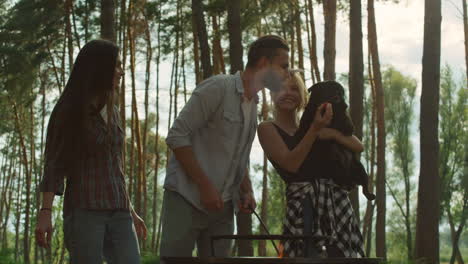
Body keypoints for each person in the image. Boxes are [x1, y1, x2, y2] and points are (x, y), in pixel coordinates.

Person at [160, 35, 290, 261]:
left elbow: (238, 155)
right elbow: (177, 136)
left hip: (223, 209)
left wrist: (246, 189)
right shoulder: (218, 87)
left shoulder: (254, 105)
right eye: (283, 66)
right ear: (263, 63)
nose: (286, 74)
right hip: (186, 198)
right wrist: (205, 186)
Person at [35, 39, 147, 264]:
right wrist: (45, 212)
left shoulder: (112, 111)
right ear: (98, 68)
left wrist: (131, 211)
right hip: (86, 210)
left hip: (119, 211)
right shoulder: (70, 110)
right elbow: (55, 164)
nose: (121, 72)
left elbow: (115, 166)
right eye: (115, 66)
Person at [257, 73, 365, 257]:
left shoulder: (313, 124)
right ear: (272, 94)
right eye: (281, 88)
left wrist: (332, 134)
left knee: (342, 255)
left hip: (335, 201)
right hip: (303, 204)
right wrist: (315, 130)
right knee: (305, 254)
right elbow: (291, 164)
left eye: (294, 89)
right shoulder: (267, 128)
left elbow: (358, 145)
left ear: (303, 96)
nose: (288, 93)